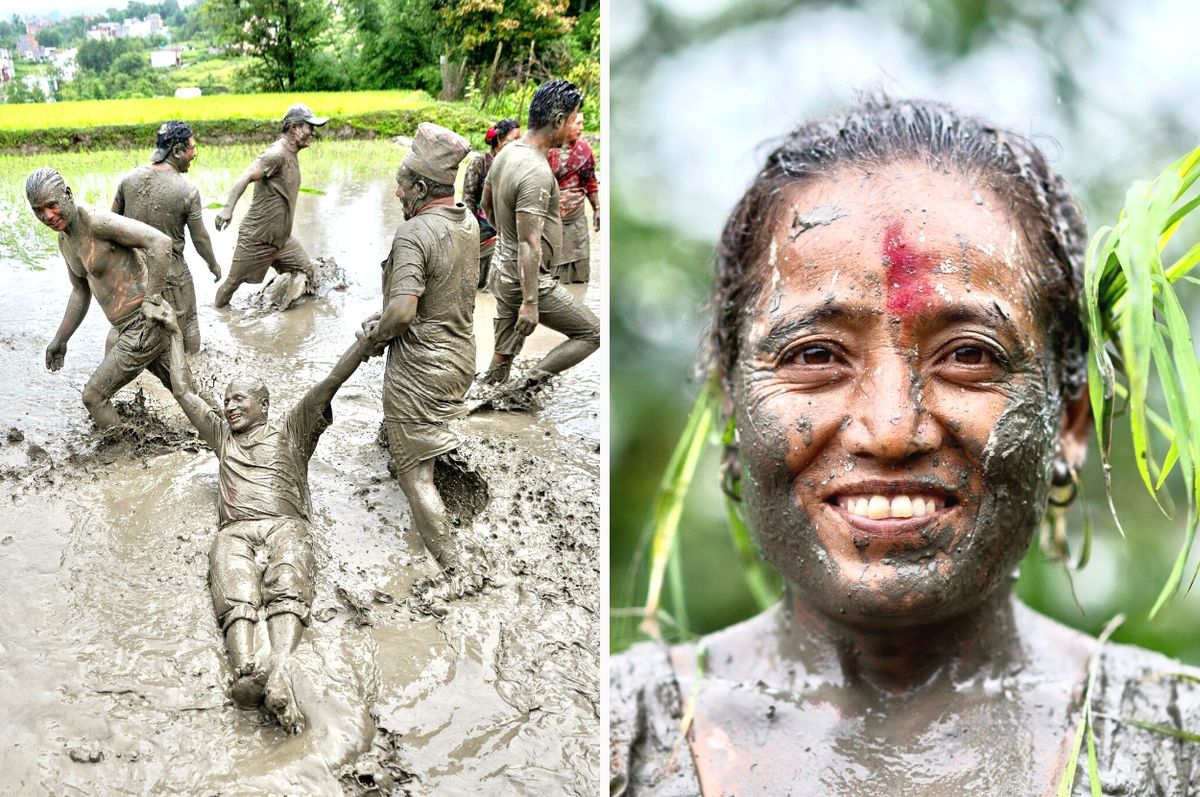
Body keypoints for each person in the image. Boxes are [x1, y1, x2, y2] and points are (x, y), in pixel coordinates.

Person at [609, 97, 1200, 795]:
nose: (891, 429)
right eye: (817, 353)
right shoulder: (614, 737)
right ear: (729, 406)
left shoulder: (1178, 745)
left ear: (1070, 417)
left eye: (970, 354)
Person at [143, 294, 372, 735]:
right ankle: (246, 668)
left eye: (239, 399)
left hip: (285, 523)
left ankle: (281, 665)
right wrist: (173, 332)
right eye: (227, 400)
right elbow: (184, 391)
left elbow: (329, 382)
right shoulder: (221, 435)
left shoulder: (293, 428)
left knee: (287, 575)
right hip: (235, 529)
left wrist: (363, 345)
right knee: (234, 584)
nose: (229, 406)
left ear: (264, 405)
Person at [358, 122, 484, 591]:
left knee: (415, 474)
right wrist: (386, 317)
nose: (395, 191)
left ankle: (456, 571)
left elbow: (404, 312)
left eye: (401, 184)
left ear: (420, 188)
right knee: (419, 448)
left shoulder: (413, 233)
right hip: (460, 356)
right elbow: (439, 292)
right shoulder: (467, 222)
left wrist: (375, 338)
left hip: (422, 365)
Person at [28, 167, 176, 431]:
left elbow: (160, 243)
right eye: (38, 210)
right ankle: (231, 434)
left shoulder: (97, 223)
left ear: (67, 195)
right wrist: (60, 339)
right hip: (124, 329)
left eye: (51, 205)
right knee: (183, 389)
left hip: (142, 324)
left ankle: (122, 459)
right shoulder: (65, 241)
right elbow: (80, 292)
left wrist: (152, 299)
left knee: (94, 397)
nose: (47, 216)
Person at [479, 79, 601, 392]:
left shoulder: (506, 154)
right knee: (593, 333)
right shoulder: (536, 170)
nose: (576, 126)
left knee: (503, 353)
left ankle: (487, 397)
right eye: (574, 119)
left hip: (502, 270)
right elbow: (529, 242)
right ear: (558, 121)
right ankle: (524, 388)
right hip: (527, 280)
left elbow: (486, 202)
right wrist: (531, 302)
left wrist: (505, 237)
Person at [113, 121, 223, 354]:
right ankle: (192, 375)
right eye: (192, 147)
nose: (194, 154)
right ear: (177, 151)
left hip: (133, 274)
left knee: (130, 330)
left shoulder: (128, 180)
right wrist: (213, 264)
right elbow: (200, 238)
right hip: (172, 276)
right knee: (187, 328)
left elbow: (111, 224)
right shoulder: (186, 191)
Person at [213, 103, 328, 308]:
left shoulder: (292, 154)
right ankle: (218, 314)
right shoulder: (276, 154)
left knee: (306, 270)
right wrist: (228, 208)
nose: (312, 132)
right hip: (256, 239)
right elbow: (246, 175)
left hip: (282, 240)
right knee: (232, 284)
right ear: (294, 128)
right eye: (308, 127)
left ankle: (289, 314)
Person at [463, 118, 520, 289]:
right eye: (514, 139)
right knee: (479, 282)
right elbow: (469, 199)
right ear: (500, 141)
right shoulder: (480, 164)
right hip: (483, 230)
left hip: (508, 230)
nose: (519, 144)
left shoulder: (518, 165)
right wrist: (469, 232)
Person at [546, 110, 599, 284]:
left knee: (579, 260)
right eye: (578, 123)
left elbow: (590, 181)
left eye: (583, 123)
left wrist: (597, 208)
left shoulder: (585, 150)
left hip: (577, 216)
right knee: (552, 269)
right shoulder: (548, 149)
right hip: (552, 217)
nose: (581, 128)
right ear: (566, 124)